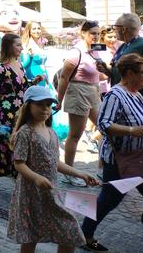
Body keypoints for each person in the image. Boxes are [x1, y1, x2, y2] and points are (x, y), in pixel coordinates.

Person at [81, 54, 143, 253]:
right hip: (120, 162)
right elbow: (104, 124)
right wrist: (131, 131)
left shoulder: (138, 95)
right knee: (109, 200)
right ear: (129, 73)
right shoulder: (115, 95)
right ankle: (84, 233)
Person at [96, 13, 143, 224]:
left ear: (125, 28)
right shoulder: (124, 47)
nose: (114, 30)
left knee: (140, 167)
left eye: (116, 27)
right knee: (114, 191)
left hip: (140, 107)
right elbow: (120, 77)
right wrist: (108, 70)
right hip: (123, 106)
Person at [8, 85, 99, 253]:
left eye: (48, 105)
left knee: (69, 231)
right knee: (30, 236)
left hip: (50, 193)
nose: (45, 108)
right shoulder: (24, 133)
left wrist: (80, 173)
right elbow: (19, 163)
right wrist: (36, 178)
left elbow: (55, 163)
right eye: (40, 104)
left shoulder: (52, 133)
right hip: (30, 194)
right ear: (28, 106)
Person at [0, 33, 43, 190]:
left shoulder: (19, 64)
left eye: (21, 44)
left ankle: (3, 172)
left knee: (21, 146)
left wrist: (33, 82)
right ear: (8, 47)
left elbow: (22, 87)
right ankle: (10, 177)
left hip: (22, 112)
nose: (22, 47)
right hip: (6, 114)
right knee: (8, 148)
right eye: (18, 45)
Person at [56, 20, 106, 186]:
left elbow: (100, 75)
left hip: (93, 92)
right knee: (75, 135)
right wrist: (59, 100)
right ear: (83, 33)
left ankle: (102, 169)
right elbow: (64, 77)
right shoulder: (76, 51)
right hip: (78, 92)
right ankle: (68, 172)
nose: (96, 36)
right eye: (93, 33)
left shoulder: (95, 51)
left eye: (98, 33)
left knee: (104, 128)